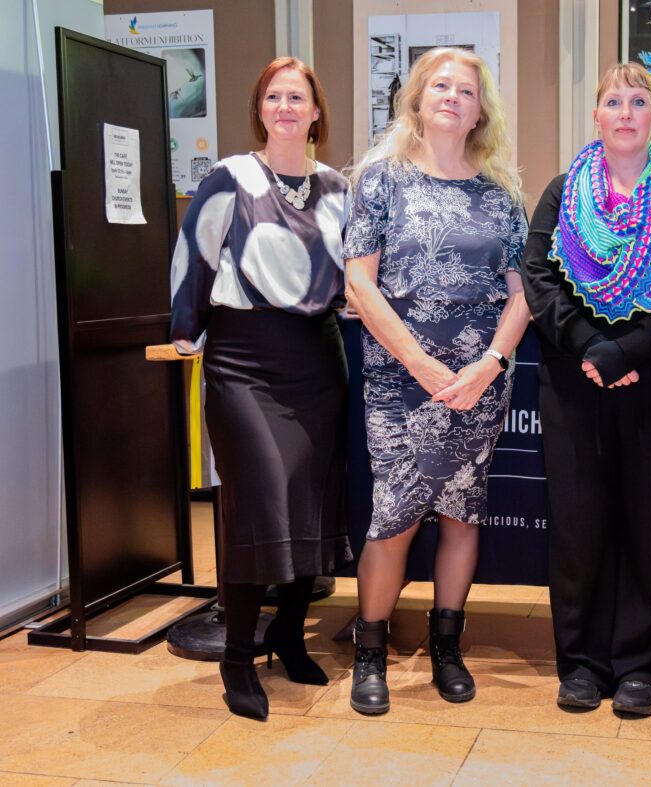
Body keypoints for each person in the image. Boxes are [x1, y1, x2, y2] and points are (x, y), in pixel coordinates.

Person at [521, 63, 651, 717]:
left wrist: (625, 350)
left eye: (638, 100)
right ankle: (581, 662)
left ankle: (643, 665)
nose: (626, 111)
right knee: (579, 527)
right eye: (613, 100)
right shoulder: (560, 193)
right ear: (597, 115)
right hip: (576, 386)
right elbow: (537, 276)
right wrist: (587, 346)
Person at [343, 47, 530, 715]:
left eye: (467, 89)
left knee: (461, 511)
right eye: (440, 86)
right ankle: (370, 649)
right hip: (398, 377)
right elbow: (359, 282)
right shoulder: (379, 179)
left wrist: (490, 365)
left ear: (482, 109)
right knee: (393, 516)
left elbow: (522, 292)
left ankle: (446, 644)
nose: (453, 96)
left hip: (479, 381)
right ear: (418, 99)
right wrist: (421, 364)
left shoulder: (502, 191)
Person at [169, 56, 351, 721]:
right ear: (260, 109)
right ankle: (237, 657)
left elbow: (355, 277)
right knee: (260, 501)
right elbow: (193, 256)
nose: (284, 107)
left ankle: (287, 631)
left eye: (296, 97)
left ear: (315, 111)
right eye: (273, 96)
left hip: (317, 360)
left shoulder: (338, 187)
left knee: (309, 502)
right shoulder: (230, 178)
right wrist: (185, 332)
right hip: (242, 362)